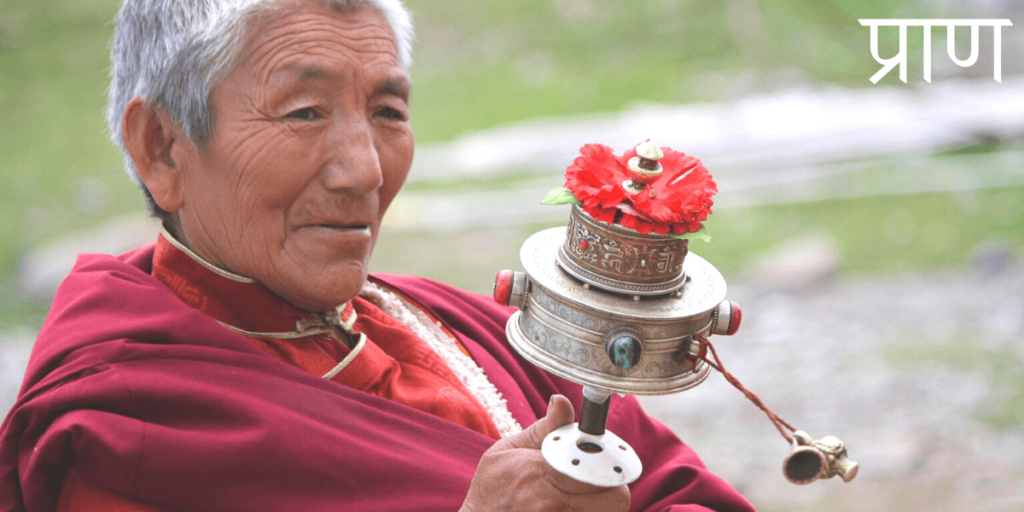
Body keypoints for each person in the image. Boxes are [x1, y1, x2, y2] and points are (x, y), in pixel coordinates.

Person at [0, 1, 756, 511]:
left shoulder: (462, 324)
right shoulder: (128, 431)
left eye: (388, 111)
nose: (364, 170)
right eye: (304, 113)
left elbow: (672, 485)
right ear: (162, 147)